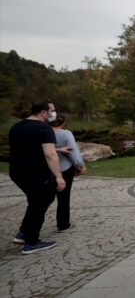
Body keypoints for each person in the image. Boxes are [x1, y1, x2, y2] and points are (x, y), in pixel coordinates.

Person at [8, 100, 66, 254]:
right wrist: (59, 176)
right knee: (42, 201)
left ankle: (23, 233)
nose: (54, 113)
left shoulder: (17, 126)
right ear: (43, 112)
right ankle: (31, 242)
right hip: (36, 172)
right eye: (52, 110)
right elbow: (50, 154)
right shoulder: (43, 128)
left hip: (16, 172)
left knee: (34, 201)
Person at [49, 112, 86, 232]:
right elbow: (72, 151)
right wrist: (80, 165)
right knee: (64, 197)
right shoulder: (66, 134)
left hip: (47, 169)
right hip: (64, 168)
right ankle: (63, 223)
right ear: (63, 122)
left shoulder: (43, 133)